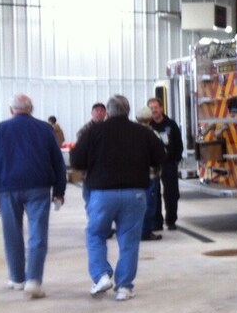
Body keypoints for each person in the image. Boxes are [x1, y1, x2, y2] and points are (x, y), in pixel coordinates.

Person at [70, 95, 166, 301]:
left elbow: (76, 159)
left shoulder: (93, 131)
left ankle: (101, 276)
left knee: (96, 234)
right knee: (129, 240)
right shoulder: (143, 132)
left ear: (108, 112)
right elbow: (161, 156)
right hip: (135, 193)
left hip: (102, 193)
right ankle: (124, 287)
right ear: (128, 111)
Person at [0, 94, 67, 299]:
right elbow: (58, 161)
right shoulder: (45, 129)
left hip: (8, 186)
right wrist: (59, 191)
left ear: (11, 110)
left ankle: (17, 278)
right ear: (31, 109)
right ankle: (33, 280)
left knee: (12, 234)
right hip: (39, 186)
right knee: (38, 233)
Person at [147, 97, 182, 231]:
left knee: (171, 194)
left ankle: (171, 220)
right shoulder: (147, 126)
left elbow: (179, 144)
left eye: (156, 107)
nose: (154, 110)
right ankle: (156, 222)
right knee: (153, 194)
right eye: (151, 108)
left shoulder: (171, 125)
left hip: (169, 164)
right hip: (153, 165)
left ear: (161, 108)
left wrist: (176, 159)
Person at [135, 106, 162, 241]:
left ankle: (135, 230)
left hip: (134, 176)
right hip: (150, 175)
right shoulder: (153, 134)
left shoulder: (130, 133)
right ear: (150, 119)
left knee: (135, 204)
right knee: (149, 203)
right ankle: (145, 231)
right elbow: (160, 153)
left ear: (136, 118)